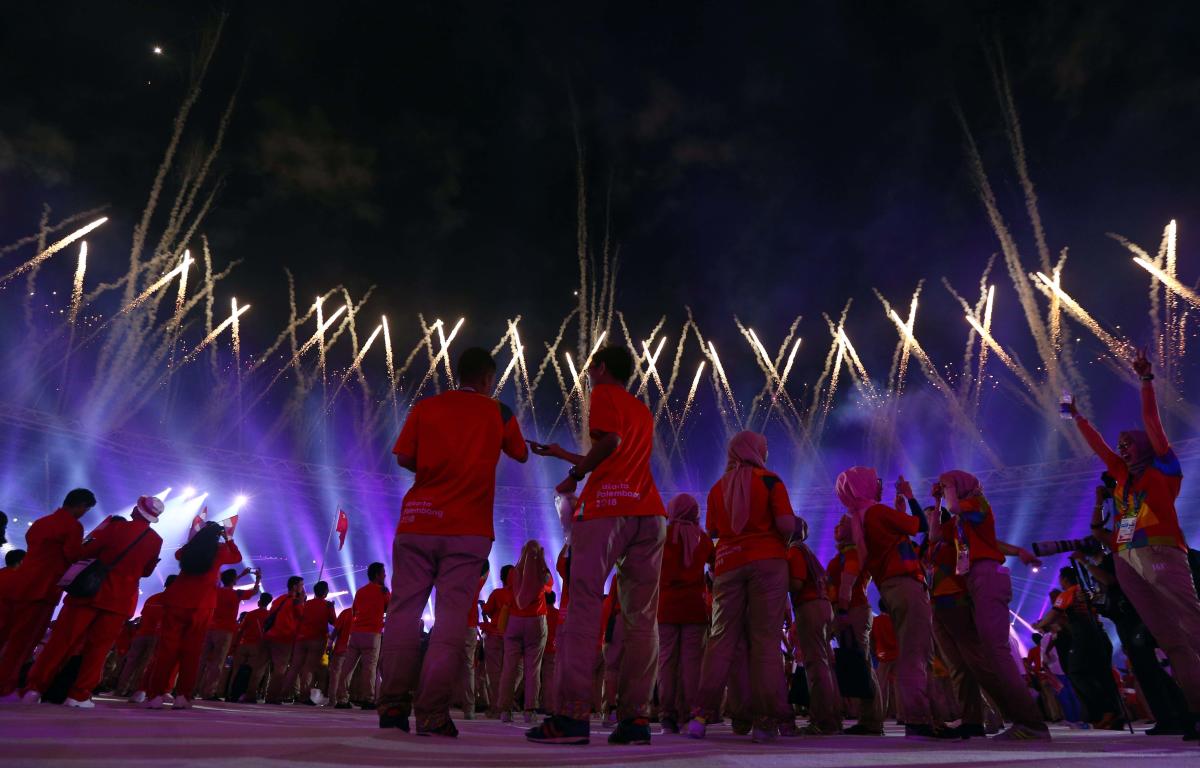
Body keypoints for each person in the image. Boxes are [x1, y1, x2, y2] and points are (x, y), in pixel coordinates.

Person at [378, 346, 528, 736]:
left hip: (417, 522)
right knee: (449, 622)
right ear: (486, 379)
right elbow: (521, 453)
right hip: (467, 529)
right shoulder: (499, 411)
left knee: (402, 611)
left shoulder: (426, 408)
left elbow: (404, 458)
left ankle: (392, 707)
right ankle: (431, 714)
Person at [526, 345, 667, 746]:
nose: (588, 374)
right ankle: (636, 720)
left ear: (602, 368)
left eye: (591, 367)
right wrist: (562, 454)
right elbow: (615, 454)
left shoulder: (603, 394)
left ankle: (571, 717)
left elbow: (611, 445)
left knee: (583, 606)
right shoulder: (641, 408)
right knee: (641, 618)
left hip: (608, 509)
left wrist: (574, 473)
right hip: (649, 512)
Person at [1069, 349, 1200, 739]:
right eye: (1120, 444)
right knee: (1171, 640)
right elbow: (1099, 448)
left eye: (1128, 442)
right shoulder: (1123, 480)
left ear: (1145, 445)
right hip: (1127, 560)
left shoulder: (1164, 468)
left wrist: (1145, 382)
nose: (1122, 446)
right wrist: (1077, 418)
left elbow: (1151, 422)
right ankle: (1195, 712)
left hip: (1161, 552)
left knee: (1193, 627)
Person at [686, 431, 797, 743]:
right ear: (757, 451)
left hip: (728, 564)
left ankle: (700, 716)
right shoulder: (770, 480)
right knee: (765, 642)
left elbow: (715, 530)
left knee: (721, 640)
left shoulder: (717, 488)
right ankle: (765, 722)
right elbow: (787, 525)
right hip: (768, 562)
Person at [937, 470, 1051, 741]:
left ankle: (1031, 723)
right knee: (990, 651)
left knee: (996, 650)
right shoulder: (962, 521)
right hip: (974, 578)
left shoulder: (978, 503)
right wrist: (1019, 551)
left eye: (946, 486)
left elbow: (955, 507)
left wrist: (948, 483)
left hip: (987, 575)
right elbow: (936, 535)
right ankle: (1024, 720)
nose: (943, 490)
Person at [20, 495, 164, 707]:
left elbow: (84, 553)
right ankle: (78, 695)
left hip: (89, 593)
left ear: (136, 510)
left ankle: (35, 688)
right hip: (119, 600)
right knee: (98, 650)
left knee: (61, 642)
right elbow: (147, 571)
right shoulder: (156, 541)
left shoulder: (114, 528)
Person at [836, 468, 947, 740]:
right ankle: (918, 721)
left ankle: (924, 718)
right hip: (906, 584)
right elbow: (920, 526)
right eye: (874, 482)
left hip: (892, 586)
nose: (879, 485)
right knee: (915, 654)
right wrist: (909, 497)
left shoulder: (862, 518)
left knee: (915, 652)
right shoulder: (875, 512)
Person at [0, 488, 95, 699]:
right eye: (85, 509)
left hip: (21, 582)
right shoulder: (73, 526)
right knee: (23, 642)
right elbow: (73, 555)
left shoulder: (42, 522)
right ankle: (5, 686)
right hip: (44, 588)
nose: (84, 513)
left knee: (6, 634)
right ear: (80, 505)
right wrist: (87, 548)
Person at [143, 521, 242, 709]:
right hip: (202, 605)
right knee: (192, 652)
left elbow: (177, 554)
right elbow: (237, 557)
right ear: (218, 536)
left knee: (166, 651)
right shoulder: (220, 551)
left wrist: (196, 538)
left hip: (177, 601)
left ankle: (155, 695)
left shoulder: (189, 550)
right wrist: (228, 539)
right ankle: (182, 696)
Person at [657, 494, 715, 735]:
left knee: (666, 662)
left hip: (666, 606)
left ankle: (666, 715)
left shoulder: (662, 535)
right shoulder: (702, 538)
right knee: (693, 665)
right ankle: (692, 713)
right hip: (694, 607)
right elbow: (715, 566)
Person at [1040, 567, 1124, 729]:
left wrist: (1040, 624)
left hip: (1084, 636)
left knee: (1076, 672)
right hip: (1100, 635)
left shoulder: (1068, 593)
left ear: (1064, 579)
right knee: (1103, 675)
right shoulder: (1087, 592)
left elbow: (1054, 614)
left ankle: (1106, 710)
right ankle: (1113, 715)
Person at [827, 515, 882, 734]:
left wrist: (841, 611)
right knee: (859, 662)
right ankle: (868, 718)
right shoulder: (845, 553)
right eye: (837, 523)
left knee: (863, 663)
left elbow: (848, 583)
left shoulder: (852, 552)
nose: (837, 525)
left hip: (852, 610)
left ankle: (872, 720)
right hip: (850, 610)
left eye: (843, 523)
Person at [785, 531, 839, 735]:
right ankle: (833, 718)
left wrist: (779, 583)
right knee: (824, 664)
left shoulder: (795, 550)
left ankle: (822, 720)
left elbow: (797, 582)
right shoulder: (808, 552)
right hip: (823, 606)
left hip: (809, 605)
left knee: (815, 664)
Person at [498, 540, 552, 722]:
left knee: (509, 667)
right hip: (536, 622)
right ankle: (529, 711)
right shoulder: (541, 573)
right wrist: (542, 559)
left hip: (514, 620)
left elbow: (507, 593)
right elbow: (549, 583)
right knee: (533, 668)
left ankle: (505, 710)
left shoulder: (514, 572)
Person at [196, 566, 261, 700]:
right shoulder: (236, 594)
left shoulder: (216, 591)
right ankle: (209, 692)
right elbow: (254, 591)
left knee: (201, 661)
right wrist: (258, 579)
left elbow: (228, 582)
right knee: (218, 662)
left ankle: (190, 689)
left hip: (209, 628)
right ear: (233, 581)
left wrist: (240, 575)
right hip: (225, 631)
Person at [117, 575, 175, 701]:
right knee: (147, 663)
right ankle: (137, 689)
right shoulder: (173, 600)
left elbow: (143, 615)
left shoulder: (152, 598)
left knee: (131, 662)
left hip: (142, 633)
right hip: (156, 635)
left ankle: (121, 688)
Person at [337, 563, 387, 708]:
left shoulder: (360, 591)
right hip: (372, 634)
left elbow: (354, 611)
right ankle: (368, 699)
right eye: (383, 572)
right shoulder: (383, 591)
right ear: (377, 575)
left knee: (347, 667)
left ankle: (341, 699)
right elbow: (389, 608)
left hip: (356, 633)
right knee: (369, 669)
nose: (385, 575)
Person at [283, 580, 337, 705]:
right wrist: (331, 608)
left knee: (294, 667)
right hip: (317, 640)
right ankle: (304, 696)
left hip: (301, 639)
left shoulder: (306, 604)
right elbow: (334, 621)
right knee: (308, 669)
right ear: (325, 592)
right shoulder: (327, 605)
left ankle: (282, 693)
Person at [453, 560, 489, 719]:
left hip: (452, 626)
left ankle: (441, 702)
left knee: (448, 663)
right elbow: (486, 571)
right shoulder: (475, 583)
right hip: (469, 626)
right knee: (468, 666)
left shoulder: (452, 583)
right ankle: (469, 708)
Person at [264, 576, 306, 704]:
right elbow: (302, 616)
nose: (303, 588)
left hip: (269, 636)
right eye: (301, 585)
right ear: (294, 586)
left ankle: (251, 693)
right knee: (280, 670)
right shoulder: (295, 601)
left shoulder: (279, 599)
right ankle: (272, 697)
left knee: (262, 668)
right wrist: (302, 600)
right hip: (284, 638)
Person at [481, 565, 515, 716]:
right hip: (512, 638)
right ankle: (506, 706)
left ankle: (496, 707)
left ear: (501, 577)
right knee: (508, 672)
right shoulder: (519, 595)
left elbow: (487, 610)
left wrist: (484, 607)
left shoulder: (497, 593)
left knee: (494, 673)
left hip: (495, 635)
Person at [327, 605, 355, 708]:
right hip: (354, 651)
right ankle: (344, 699)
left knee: (335, 675)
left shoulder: (346, 612)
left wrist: (329, 644)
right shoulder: (365, 614)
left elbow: (335, 630)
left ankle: (333, 700)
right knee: (348, 676)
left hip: (340, 649)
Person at [541, 591, 560, 714]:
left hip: (538, 648)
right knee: (550, 678)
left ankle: (536, 704)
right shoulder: (558, 614)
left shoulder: (541, 613)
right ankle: (550, 706)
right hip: (552, 649)